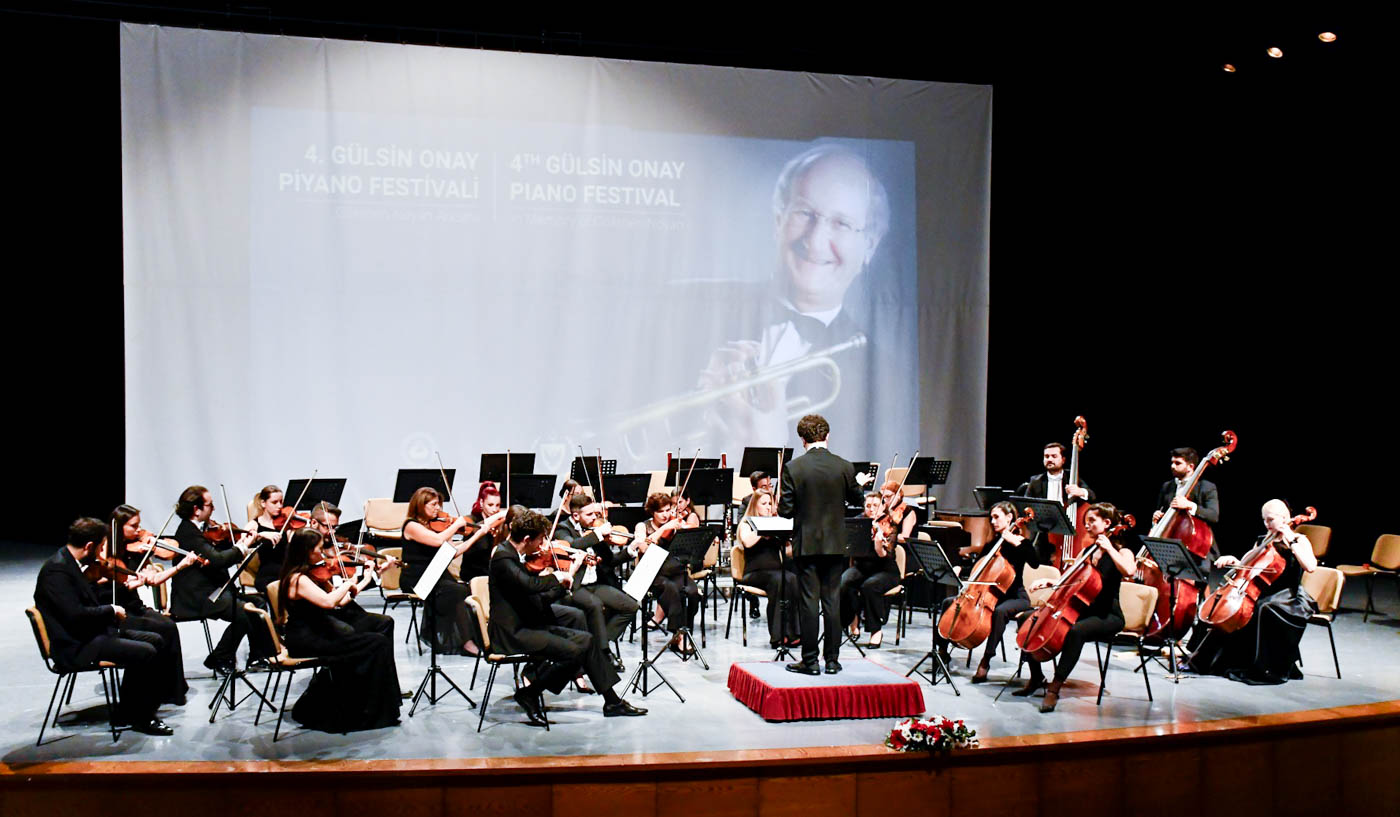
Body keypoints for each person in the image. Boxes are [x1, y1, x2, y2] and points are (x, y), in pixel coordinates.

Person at [698, 144, 904, 457]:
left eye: (841, 223)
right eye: (805, 213)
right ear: (777, 221)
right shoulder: (693, 309)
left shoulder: (885, 377)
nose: (816, 240)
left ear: (869, 246)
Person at [489, 509, 646, 723]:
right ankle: (531, 693)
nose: (543, 545)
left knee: (587, 640)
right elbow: (530, 585)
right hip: (512, 632)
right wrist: (557, 576)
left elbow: (538, 599)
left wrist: (566, 581)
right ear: (526, 539)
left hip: (528, 621)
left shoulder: (516, 556)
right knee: (575, 651)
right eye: (540, 540)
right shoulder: (503, 557)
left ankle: (612, 702)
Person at [35, 518, 172, 735]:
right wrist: (111, 610)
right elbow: (74, 615)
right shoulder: (57, 572)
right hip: (75, 645)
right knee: (146, 651)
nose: (101, 554)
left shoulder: (69, 563)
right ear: (89, 546)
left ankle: (128, 709)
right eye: (99, 548)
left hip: (89, 635)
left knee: (155, 639)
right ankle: (142, 717)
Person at [275, 527, 402, 732]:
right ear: (307, 551)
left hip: (320, 631)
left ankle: (371, 703)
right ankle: (365, 711)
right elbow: (327, 602)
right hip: (306, 637)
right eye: (319, 549)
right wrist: (347, 583)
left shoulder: (311, 575)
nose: (323, 555)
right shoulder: (298, 579)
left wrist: (365, 578)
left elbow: (340, 602)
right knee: (377, 642)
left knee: (376, 637)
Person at [1015, 502, 1135, 712]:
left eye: (1092, 521)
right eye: (1085, 521)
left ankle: (1054, 687)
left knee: (1076, 632)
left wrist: (1108, 548)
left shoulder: (1122, 552)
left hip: (1108, 614)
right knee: (1027, 618)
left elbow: (1130, 571)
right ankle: (1036, 677)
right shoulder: (1087, 551)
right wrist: (1049, 581)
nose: (1086, 525)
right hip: (1082, 609)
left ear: (1107, 523)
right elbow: (1068, 579)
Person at [1186, 499, 1317, 685]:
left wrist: (1291, 538)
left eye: (1270, 519)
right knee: (1219, 604)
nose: (1266, 524)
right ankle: (1202, 658)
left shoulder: (1299, 540)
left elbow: (1310, 566)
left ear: (1284, 518)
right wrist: (1234, 561)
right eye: (1264, 519)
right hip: (1262, 591)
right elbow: (1248, 564)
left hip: (1287, 596)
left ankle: (1261, 667)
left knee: (1263, 608)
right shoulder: (1263, 540)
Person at [780, 413, 866, 675]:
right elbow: (858, 500)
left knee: (809, 602)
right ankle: (832, 660)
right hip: (835, 544)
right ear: (827, 436)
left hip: (806, 544)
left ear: (802, 439)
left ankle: (810, 661)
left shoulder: (794, 468)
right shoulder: (844, 466)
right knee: (831, 601)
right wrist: (857, 486)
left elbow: (785, 510)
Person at [168, 485, 267, 674]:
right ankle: (220, 657)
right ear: (196, 509)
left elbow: (220, 552)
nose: (213, 509)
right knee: (244, 613)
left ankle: (257, 656)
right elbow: (218, 560)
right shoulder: (188, 533)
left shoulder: (203, 529)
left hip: (213, 590)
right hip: (195, 596)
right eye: (210, 505)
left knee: (258, 603)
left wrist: (240, 542)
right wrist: (242, 547)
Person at [110, 503, 200, 706]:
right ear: (119, 526)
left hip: (136, 606)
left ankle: (172, 689)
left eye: (139, 525)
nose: (139, 531)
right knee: (162, 629)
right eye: (133, 526)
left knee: (169, 625)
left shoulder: (139, 549)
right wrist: (137, 581)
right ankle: (157, 689)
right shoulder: (111, 552)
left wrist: (178, 566)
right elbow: (122, 585)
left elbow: (155, 578)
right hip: (120, 612)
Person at [400, 486, 505, 656]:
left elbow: (453, 552)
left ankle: (478, 640)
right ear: (420, 505)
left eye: (438, 504)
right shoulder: (411, 525)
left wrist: (477, 535)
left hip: (436, 572)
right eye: (433, 504)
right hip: (418, 576)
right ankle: (467, 642)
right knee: (456, 591)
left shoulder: (435, 526)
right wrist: (456, 525)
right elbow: (437, 541)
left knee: (463, 590)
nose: (438, 508)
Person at [965, 501, 1049, 683]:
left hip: (1016, 597)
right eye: (991, 518)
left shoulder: (1021, 542)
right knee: (949, 603)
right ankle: (942, 654)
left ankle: (986, 660)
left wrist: (1014, 541)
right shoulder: (993, 544)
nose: (992, 521)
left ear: (1010, 518)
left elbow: (1035, 562)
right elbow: (978, 567)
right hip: (991, 595)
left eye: (996, 517)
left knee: (1000, 612)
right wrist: (960, 570)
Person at [634, 492, 700, 650]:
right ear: (652, 512)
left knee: (692, 592)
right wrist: (665, 528)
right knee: (671, 590)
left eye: (668, 510)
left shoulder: (675, 524)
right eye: (660, 511)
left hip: (674, 571)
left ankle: (684, 632)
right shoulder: (642, 526)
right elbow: (643, 548)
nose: (665, 515)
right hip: (652, 573)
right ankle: (680, 635)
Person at [737, 489, 800, 648]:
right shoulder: (746, 524)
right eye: (764, 503)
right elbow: (747, 542)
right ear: (755, 505)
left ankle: (793, 633)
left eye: (770, 503)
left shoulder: (775, 523)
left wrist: (793, 541)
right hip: (754, 573)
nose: (768, 507)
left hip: (775, 572)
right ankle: (778, 636)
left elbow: (787, 551)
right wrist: (762, 530)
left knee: (792, 578)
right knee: (779, 580)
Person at [840, 491, 903, 649]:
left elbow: (884, 556)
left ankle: (876, 631)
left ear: (883, 506)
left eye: (875, 505)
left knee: (870, 586)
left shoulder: (890, 524)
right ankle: (852, 619)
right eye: (868, 506)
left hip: (886, 570)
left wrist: (878, 544)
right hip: (862, 567)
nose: (872, 509)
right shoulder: (858, 522)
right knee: (844, 582)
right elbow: (849, 549)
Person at [247, 485, 292, 593]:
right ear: (263, 503)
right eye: (274, 502)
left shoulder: (286, 524)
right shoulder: (254, 524)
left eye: (281, 502)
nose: (279, 506)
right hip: (268, 574)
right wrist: (261, 535)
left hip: (287, 572)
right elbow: (241, 544)